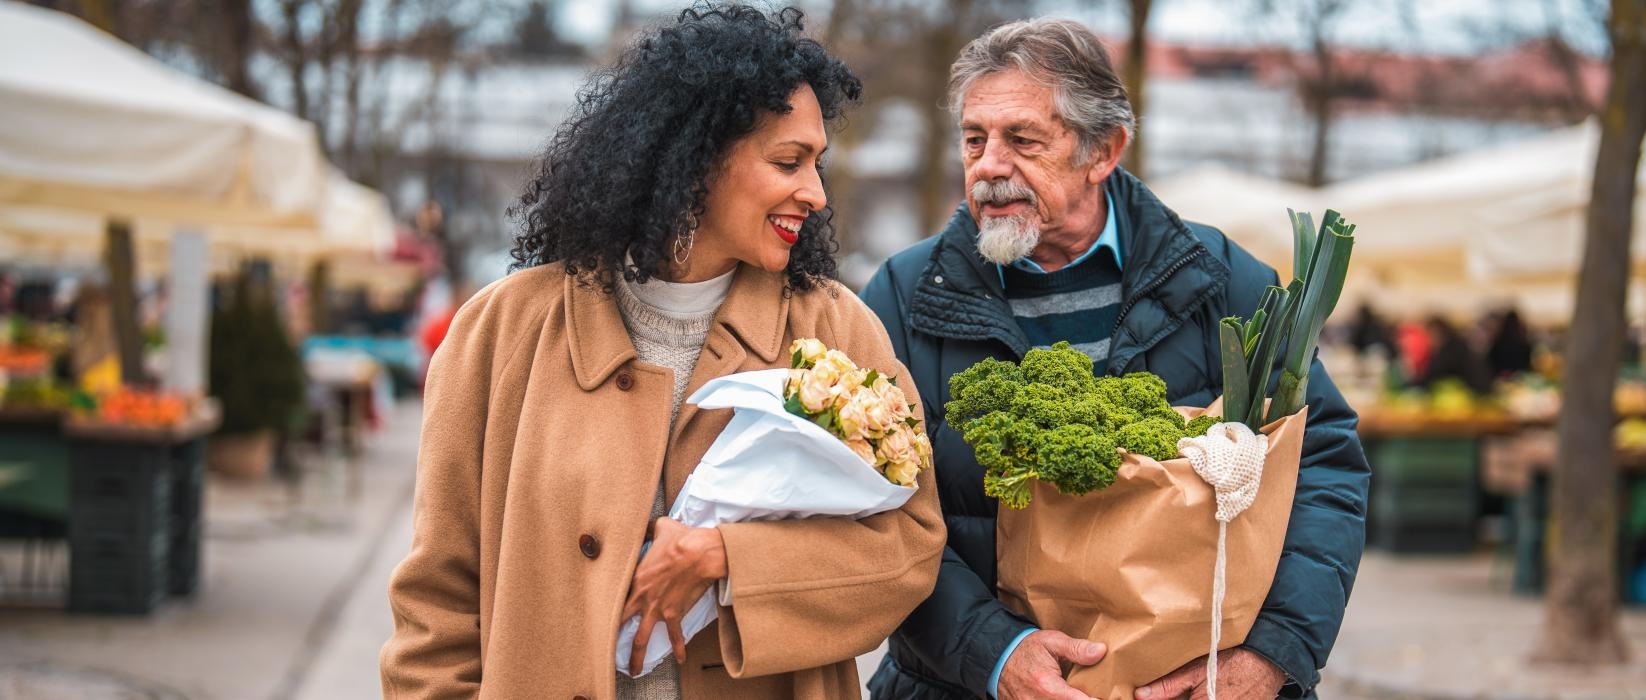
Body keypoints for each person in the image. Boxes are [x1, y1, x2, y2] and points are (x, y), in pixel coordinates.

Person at [379, 7, 945, 699]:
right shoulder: (500, 333)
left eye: (818, 163)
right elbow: (436, 603)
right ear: (695, 156)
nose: (816, 193)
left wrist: (727, 558)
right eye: (788, 161)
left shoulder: (835, 330)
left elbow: (911, 548)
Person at [859, 18, 1369, 700]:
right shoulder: (902, 295)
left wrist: (1275, 652)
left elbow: (1322, 460)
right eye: (974, 138)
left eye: (1022, 140)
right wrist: (994, 652)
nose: (987, 166)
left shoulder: (1217, 280)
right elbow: (874, 508)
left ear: (1103, 150)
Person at [1484, 309, 1534, 380]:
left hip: (1500, 378)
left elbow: (1491, 361)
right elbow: (1527, 363)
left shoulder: (1498, 342)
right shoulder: (1523, 343)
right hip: (1519, 378)